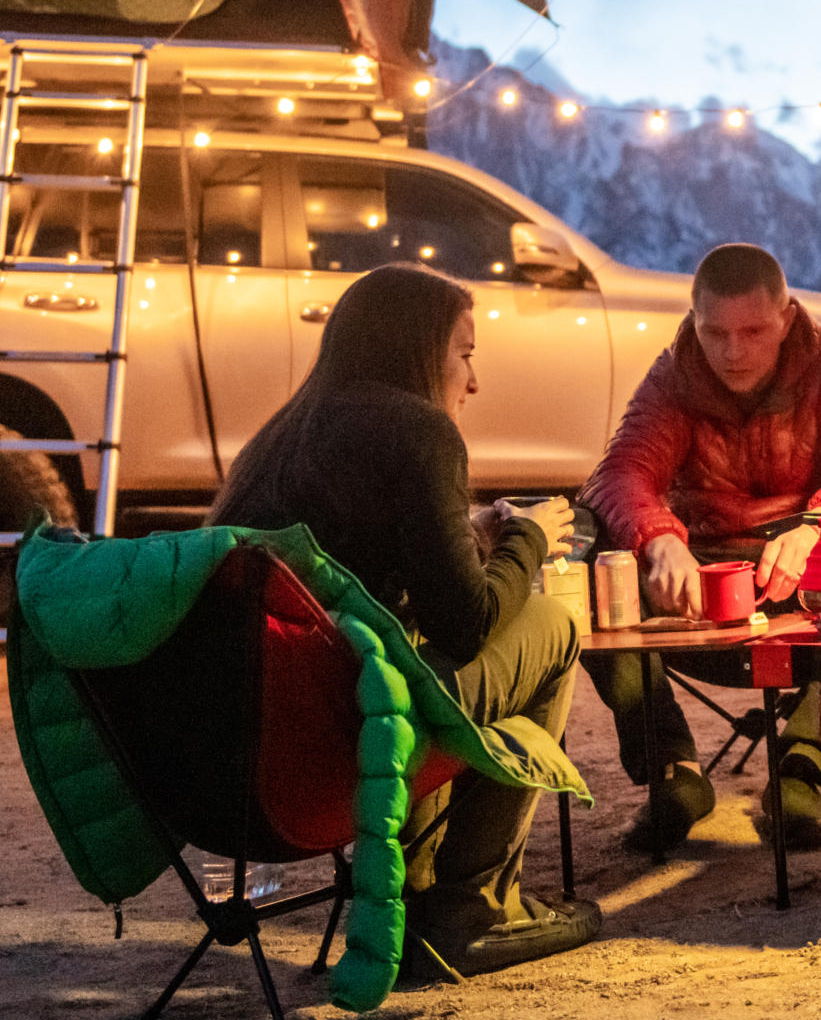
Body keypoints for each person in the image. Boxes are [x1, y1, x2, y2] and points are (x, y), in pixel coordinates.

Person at [207, 262, 597, 978]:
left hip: (241, 751)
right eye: (466, 353)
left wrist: (466, 529)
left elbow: (358, 562)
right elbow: (467, 623)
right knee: (549, 625)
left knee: (415, 655)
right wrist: (529, 537)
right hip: (344, 741)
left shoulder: (281, 436)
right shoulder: (421, 432)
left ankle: (414, 887)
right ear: (420, 350)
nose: (473, 381)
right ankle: (471, 908)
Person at [581, 242, 821, 851]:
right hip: (710, 571)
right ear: (694, 322)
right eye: (715, 333)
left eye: (753, 331)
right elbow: (620, 473)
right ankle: (673, 769)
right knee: (594, 567)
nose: (733, 352)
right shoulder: (676, 377)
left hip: (813, 569)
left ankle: (804, 767)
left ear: (787, 318)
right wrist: (658, 537)